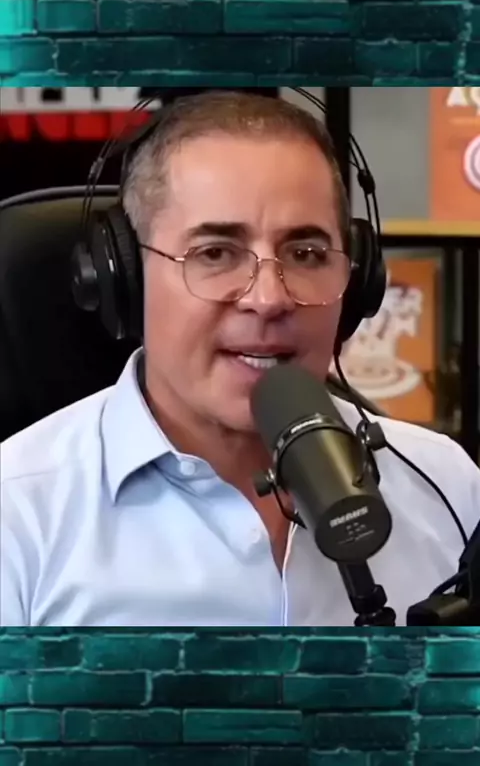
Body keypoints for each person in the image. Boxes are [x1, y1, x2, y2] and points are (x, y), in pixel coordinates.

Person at [1, 90, 480, 627]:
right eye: (215, 253)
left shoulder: (446, 485)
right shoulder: (17, 515)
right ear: (123, 277)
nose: (269, 298)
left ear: (358, 280)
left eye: (306, 254)